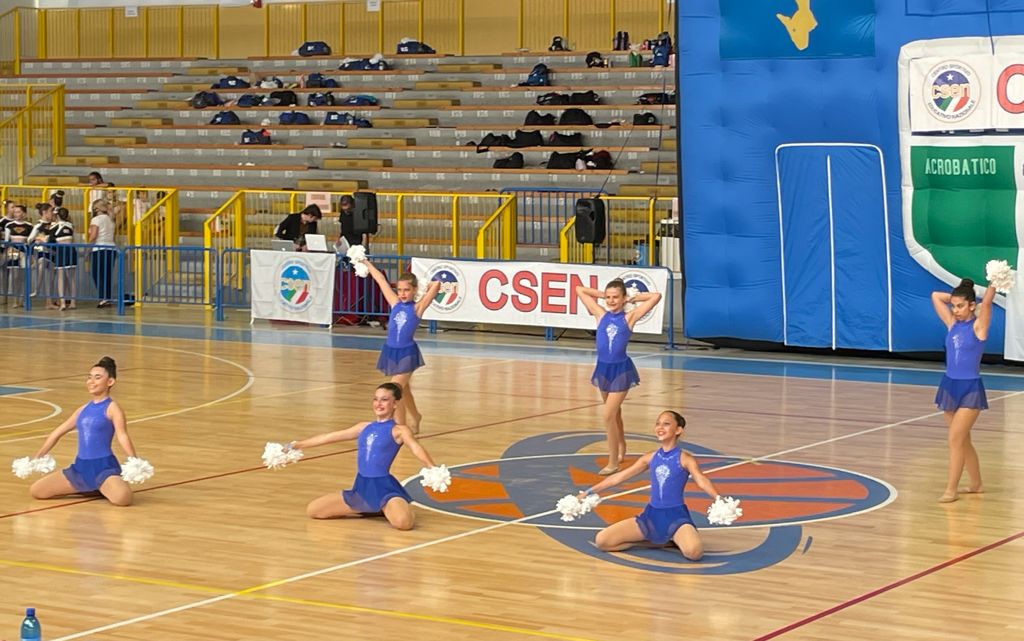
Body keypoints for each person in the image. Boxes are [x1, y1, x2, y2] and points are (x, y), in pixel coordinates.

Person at [289, 382, 440, 530]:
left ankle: (388, 505)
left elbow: (415, 447)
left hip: (384, 487)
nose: (378, 403)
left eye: (384, 400)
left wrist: (431, 466)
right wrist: (297, 445)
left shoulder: (399, 430)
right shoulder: (363, 427)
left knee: (403, 523)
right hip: (361, 487)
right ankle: (370, 507)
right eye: (376, 399)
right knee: (314, 511)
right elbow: (329, 437)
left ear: (395, 404)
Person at [581, 410, 721, 560]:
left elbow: (701, 479)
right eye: (658, 423)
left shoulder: (685, 459)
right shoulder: (649, 457)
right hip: (650, 518)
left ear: (678, 430)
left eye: (666, 424)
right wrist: (588, 492)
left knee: (694, 553)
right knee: (603, 541)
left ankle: (675, 536)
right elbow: (618, 477)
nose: (660, 427)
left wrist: (718, 498)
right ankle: (652, 543)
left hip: (676, 518)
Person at [575, 279, 662, 474]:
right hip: (603, 369)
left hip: (621, 371)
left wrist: (632, 297)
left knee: (607, 415)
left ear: (623, 299)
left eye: (616, 297)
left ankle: (613, 462)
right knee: (615, 414)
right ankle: (621, 447)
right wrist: (602, 295)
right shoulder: (600, 314)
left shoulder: (629, 317)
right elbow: (579, 290)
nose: (611, 301)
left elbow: (656, 296)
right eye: (608, 297)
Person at [28, 357, 139, 507]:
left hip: (103, 467)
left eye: (97, 377)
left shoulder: (113, 408)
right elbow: (57, 433)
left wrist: (134, 461)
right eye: (89, 377)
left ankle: (103, 484)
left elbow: (122, 435)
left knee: (123, 499)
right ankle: (91, 488)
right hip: (80, 468)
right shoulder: (82, 410)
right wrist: (38, 456)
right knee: (37, 491)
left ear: (110, 382)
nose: (91, 381)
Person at [930, 277, 995, 503]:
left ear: (971, 306)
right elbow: (935, 296)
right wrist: (960, 295)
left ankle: (951, 490)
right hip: (949, 386)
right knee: (963, 440)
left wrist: (993, 284)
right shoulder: (952, 324)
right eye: (953, 306)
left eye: (960, 306)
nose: (955, 310)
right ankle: (976, 484)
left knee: (955, 440)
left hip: (969, 389)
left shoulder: (979, 327)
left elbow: (986, 305)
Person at [365, 261, 440, 433]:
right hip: (390, 351)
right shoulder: (395, 303)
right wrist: (366, 263)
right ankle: (416, 416)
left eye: (407, 290)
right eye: (399, 290)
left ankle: (400, 427)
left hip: (407, 353)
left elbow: (436, 285)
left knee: (394, 389)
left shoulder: (417, 307)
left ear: (414, 290)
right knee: (404, 390)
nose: (402, 293)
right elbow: (381, 280)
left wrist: (425, 287)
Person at [88, 201, 117, 307]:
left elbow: (94, 236)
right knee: (107, 275)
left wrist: (88, 248)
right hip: (111, 248)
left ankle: (102, 297)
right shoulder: (111, 219)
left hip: (99, 248)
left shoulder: (96, 219)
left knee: (98, 274)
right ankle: (108, 297)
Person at [3, 204, 32, 307]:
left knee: (24, 277)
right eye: (15, 212)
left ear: (24, 213)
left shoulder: (29, 226)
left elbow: (30, 241)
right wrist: (8, 249)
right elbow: (7, 240)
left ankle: (24, 299)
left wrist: (31, 255)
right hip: (13, 252)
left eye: (18, 212)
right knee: (15, 276)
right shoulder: (9, 225)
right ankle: (15, 300)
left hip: (24, 253)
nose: (16, 214)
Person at [28, 203, 56, 305]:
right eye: (50, 211)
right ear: (44, 212)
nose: (52, 213)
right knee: (42, 264)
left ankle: (49, 302)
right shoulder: (39, 225)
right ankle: (37, 289)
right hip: (42, 252)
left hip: (52, 252)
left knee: (51, 279)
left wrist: (46, 239)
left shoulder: (55, 224)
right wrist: (38, 239)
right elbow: (30, 239)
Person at [50, 207, 77, 310]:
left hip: (62, 251)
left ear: (57, 216)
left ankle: (62, 303)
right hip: (71, 250)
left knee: (61, 278)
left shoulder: (54, 227)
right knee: (72, 278)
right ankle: (73, 302)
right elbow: (73, 238)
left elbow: (50, 242)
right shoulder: (71, 225)